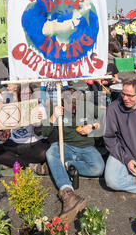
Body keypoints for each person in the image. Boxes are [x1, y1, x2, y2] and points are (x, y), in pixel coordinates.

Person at [42, 88, 105, 224]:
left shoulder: (87, 107)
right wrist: (53, 117)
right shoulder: (58, 109)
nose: (72, 108)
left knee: (98, 168)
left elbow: (105, 117)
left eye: (75, 104)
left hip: (86, 147)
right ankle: (67, 192)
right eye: (68, 104)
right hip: (66, 145)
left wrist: (93, 126)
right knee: (51, 152)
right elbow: (45, 132)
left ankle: (65, 165)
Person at [0, 85, 50, 174]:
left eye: (29, 93)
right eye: (24, 94)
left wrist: (39, 120)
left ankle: (11, 161)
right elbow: (2, 120)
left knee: (43, 154)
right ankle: (30, 166)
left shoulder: (39, 106)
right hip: (14, 142)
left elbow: (40, 127)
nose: (27, 96)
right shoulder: (12, 105)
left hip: (33, 142)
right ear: (19, 95)